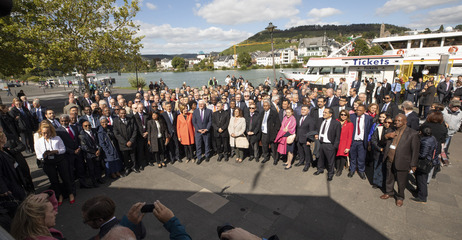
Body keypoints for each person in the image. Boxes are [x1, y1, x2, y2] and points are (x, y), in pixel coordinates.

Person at [380, 114, 420, 207]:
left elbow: (415, 150)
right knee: (389, 178)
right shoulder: (391, 130)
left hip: (402, 161)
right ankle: (389, 192)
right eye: (396, 121)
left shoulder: (412, 133)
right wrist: (386, 136)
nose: (397, 122)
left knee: (401, 181)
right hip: (390, 159)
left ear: (405, 122)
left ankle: (400, 197)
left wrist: (413, 164)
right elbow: (381, 142)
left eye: (399, 121)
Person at [34, 121, 74, 205]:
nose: (46, 135)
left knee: (65, 177)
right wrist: (43, 155)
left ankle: (70, 193)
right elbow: (38, 155)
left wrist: (56, 151)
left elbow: (63, 149)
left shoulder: (57, 138)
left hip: (60, 159)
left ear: (51, 131)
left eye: (48, 133)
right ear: (41, 132)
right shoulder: (38, 142)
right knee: (54, 180)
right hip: (48, 162)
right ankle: (59, 196)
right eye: (44, 133)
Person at [82, 196, 146, 240]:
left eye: (86, 220)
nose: (86, 223)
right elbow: (142, 234)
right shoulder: (135, 222)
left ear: (100, 220)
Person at [314, 108, 341, 181]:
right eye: (323, 112)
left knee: (330, 161)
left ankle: (330, 174)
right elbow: (317, 129)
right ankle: (320, 169)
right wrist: (316, 134)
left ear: (330, 114)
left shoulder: (336, 123)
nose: (323, 114)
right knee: (320, 158)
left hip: (329, 144)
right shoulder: (320, 120)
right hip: (320, 143)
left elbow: (337, 136)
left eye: (325, 113)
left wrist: (334, 146)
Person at [411, 127, 437, 204]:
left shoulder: (425, 142)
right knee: (420, 178)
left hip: (424, 163)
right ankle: (419, 191)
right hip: (429, 161)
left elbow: (423, 155)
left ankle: (422, 197)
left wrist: (414, 153)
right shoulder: (432, 138)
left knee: (421, 179)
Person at [420, 111, 447, 180]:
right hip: (435, 148)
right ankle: (428, 179)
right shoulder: (443, 128)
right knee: (432, 163)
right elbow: (443, 141)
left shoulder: (425, 125)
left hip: (424, 146)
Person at [348, 105, 373, 179]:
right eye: (357, 110)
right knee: (352, 157)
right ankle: (352, 170)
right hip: (353, 140)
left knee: (361, 158)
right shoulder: (352, 116)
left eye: (360, 110)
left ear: (364, 111)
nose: (357, 112)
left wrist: (368, 142)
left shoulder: (369, 118)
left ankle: (361, 171)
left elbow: (369, 130)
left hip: (362, 141)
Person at [113, 109, 138, 174]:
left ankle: (134, 167)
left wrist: (131, 141)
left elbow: (135, 130)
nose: (123, 115)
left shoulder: (131, 119)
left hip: (131, 142)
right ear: (118, 114)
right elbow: (116, 133)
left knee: (133, 156)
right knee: (125, 157)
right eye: (121, 113)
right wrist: (125, 142)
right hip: (123, 144)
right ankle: (127, 168)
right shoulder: (116, 121)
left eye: (124, 113)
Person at [79, 120, 103, 187]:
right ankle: (94, 181)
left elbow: (98, 142)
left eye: (89, 125)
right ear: (83, 127)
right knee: (91, 169)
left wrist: (98, 150)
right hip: (89, 155)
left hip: (97, 152)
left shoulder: (94, 132)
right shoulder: (81, 135)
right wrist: (94, 152)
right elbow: (84, 147)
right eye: (85, 126)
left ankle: (99, 178)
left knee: (98, 167)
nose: (88, 127)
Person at [370, 114, 391, 189]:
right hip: (379, 152)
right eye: (386, 122)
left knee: (387, 169)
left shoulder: (394, 131)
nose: (387, 124)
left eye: (389, 123)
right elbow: (373, 140)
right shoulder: (379, 129)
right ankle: (376, 182)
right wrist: (379, 148)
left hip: (389, 153)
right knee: (377, 167)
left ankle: (384, 183)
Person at [192, 100, 212, 164]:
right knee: (198, 145)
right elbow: (194, 122)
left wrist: (207, 129)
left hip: (206, 131)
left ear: (204, 104)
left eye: (202, 104)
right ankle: (199, 157)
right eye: (199, 104)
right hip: (198, 132)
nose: (200, 105)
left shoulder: (209, 111)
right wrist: (198, 129)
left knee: (207, 144)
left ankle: (207, 156)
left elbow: (210, 121)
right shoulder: (195, 112)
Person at [335, 109, 353, 176]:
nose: (343, 116)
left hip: (344, 143)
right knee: (336, 156)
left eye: (345, 115)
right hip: (336, 142)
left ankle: (340, 170)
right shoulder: (336, 121)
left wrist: (348, 147)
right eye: (341, 114)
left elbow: (350, 136)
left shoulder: (349, 124)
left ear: (347, 116)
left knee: (342, 157)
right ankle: (337, 168)